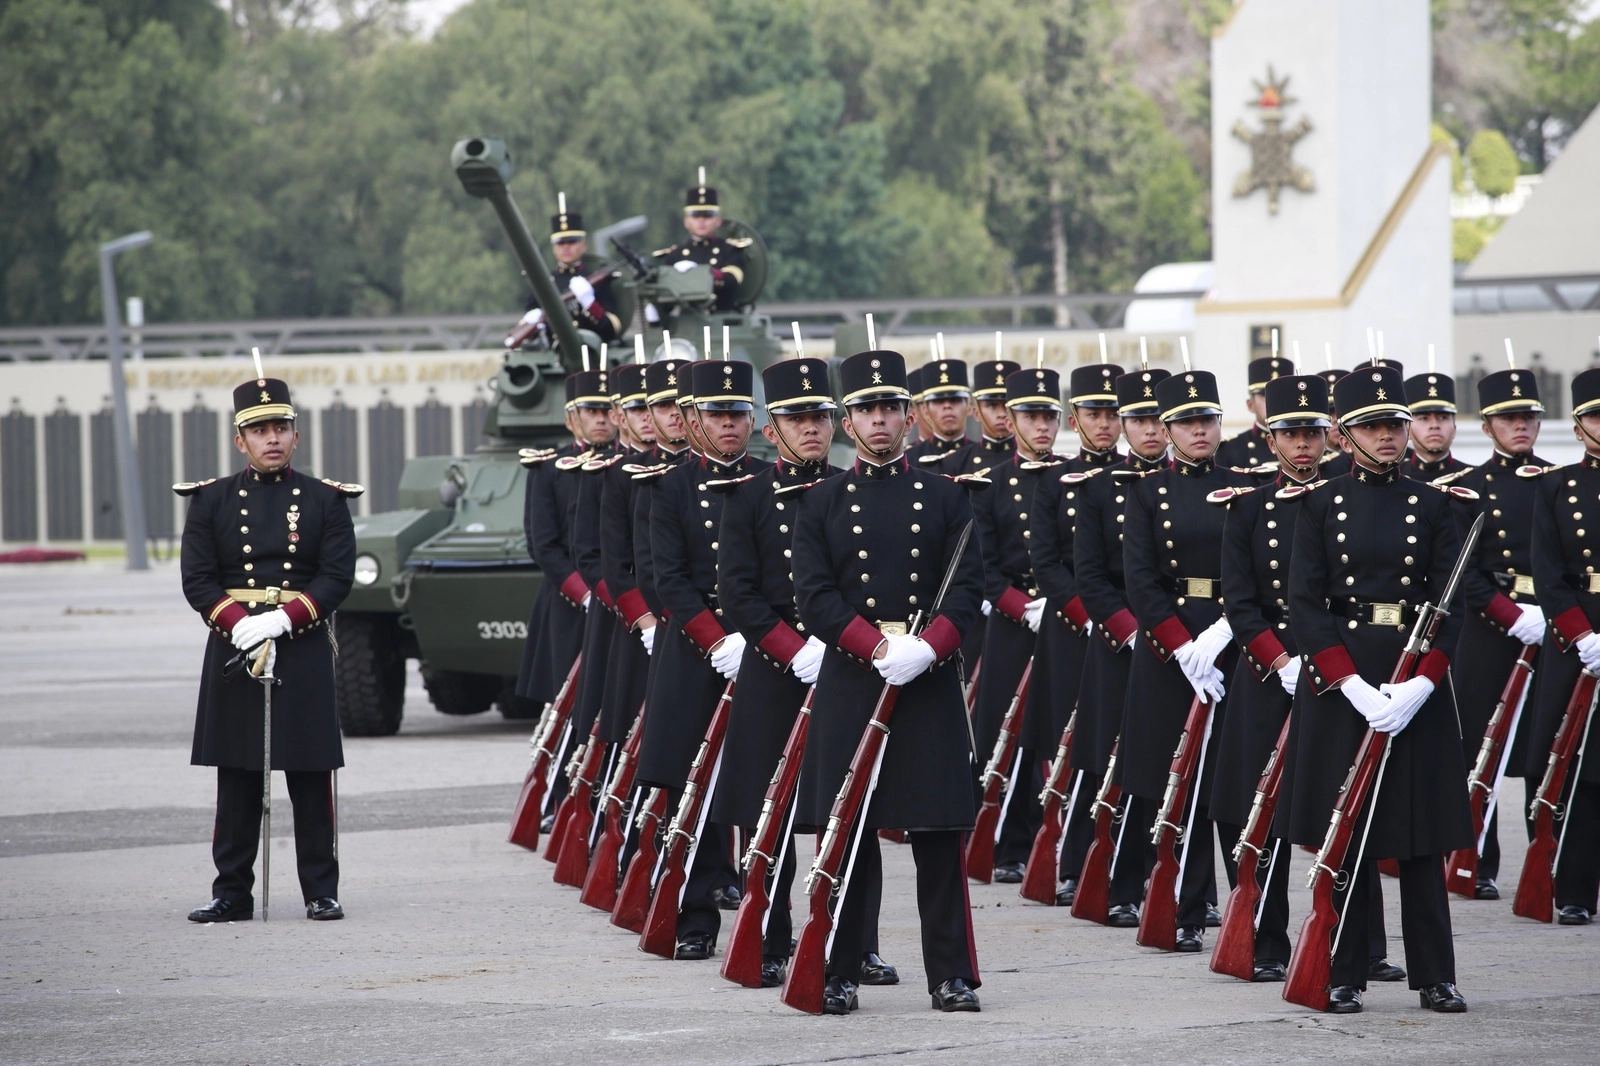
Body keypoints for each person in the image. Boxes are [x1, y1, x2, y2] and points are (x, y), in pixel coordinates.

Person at [792, 347, 986, 1014]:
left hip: (925, 681)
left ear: (911, 417)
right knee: (850, 835)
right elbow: (814, 597)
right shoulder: (820, 503)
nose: (879, 420)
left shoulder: (947, 497)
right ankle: (841, 967)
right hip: (856, 676)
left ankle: (951, 974)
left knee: (937, 836)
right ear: (848, 422)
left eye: (889, 408)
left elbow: (968, 596)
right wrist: (876, 647)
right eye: (866, 409)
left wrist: (925, 650)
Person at [1281, 361, 1472, 1014]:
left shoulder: (1434, 504)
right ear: (1343, 433)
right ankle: (1345, 970)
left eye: (1396, 424)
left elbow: (1454, 605)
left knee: (1420, 837)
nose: (1389, 437)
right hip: (1349, 680)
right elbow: (1304, 604)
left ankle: (1436, 974)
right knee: (1351, 831)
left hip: (1410, 673)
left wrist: (1421, 685)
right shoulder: (1317, 504)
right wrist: (1350, 684)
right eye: (1373, 426)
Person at [709, 355, 895, 988]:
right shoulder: (747, 497)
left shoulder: (858, 489)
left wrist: (845, 646)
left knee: (853, 813)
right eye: (797, 418)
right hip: (775, 669)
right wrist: (794, 650)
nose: (812, 429)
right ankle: (770, 937)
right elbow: (738, 596)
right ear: (772, 429)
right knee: (773, 817)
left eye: (820, 416)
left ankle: (858, 943)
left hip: (845, 666)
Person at [181, 374, 356, 923]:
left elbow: (336, 577)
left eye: (281, 427)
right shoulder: (210, 500)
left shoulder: (326, 499)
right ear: (240, 441)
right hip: (235, 648)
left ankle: (320, 891)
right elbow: (197, 578)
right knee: (236, 777)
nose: (271, 438)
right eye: (259, 430)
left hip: (299, 644)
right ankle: (232, 892)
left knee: (309, 773)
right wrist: (239, 624)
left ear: (296, 437)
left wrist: (282, 619)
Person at [634, 358, 769, 959]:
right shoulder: (666, 489)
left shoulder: (771, 480)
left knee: (764, 783)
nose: (731, 425)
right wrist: (718, 641)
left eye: (739, 413)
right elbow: (670, 582)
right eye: (718, 414)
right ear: (692, 420)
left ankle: (768, 920)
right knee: (691, 786)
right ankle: (693, 919)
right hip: (694, 649)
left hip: (765, 646)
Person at [1117, 368, 1254, 951]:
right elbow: (1141, 582)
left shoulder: (1247, 488)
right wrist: (1181, 646)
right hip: (1171, 646)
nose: (1200, 430)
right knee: (1179, 781)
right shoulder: (1144, 493)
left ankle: (1247, 903)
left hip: (1233, 639)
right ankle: (1187, 906)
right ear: (1167, 429)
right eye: (1187, 422)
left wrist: (1224, 633)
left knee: (1234, 779)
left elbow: (1257, 574)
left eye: (1208, 420)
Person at [1211, 373, 1328, 981]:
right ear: (1268, 436)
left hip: (1337, 672)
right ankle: (1264, 937)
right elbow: (1241, 601)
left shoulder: (1343, 501)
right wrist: (1281, 662)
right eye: (1291, 433)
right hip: (1267, 672)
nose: (1302, 445)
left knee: (1337, 808)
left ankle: (1352, 941)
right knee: (1255, 809)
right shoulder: (1249, 507)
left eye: (1312, 432)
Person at [1070, 367, 1171, 926]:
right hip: (1125, 644)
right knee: (1126, 768)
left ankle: (1191, 886)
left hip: (1188, 647)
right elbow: (1090, 575)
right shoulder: (1099, 489)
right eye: (1139, 420)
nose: (1151, 430)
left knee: (1185, 767)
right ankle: (1122, 882)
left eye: (1160, 419)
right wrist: (1136, 632)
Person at [1023, 362, 1126, 903]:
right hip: (1073, 630)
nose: (1105, 424)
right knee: (1079, 748)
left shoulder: (1139, 478)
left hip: (1131, 629)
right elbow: (1047, 560)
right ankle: (1073, 861)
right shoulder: (1054, 482)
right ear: (1075, 417)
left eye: (1113, 413)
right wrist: (1090, 616)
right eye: (1094, 413)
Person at [1446, 367, 1550, 900]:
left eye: (1529, 416)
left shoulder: (1559, 480)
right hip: (1490, 633)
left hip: (1553, 627)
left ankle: (1547, 860)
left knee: (1548, 749)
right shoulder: (1469, 489)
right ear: (1486, 427)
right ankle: (1476, 860)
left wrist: (1552, 615)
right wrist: (1511, 616)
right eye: (1509, 418)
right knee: (1475, 751)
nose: (1521, 426)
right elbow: (1463, 571)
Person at [969, 366, 1070, 884]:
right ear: (1010, 419)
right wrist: (1018, 605)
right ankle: (1002, 844)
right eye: (1031, 416)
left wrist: (1059, 604)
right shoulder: (990, 484)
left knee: (1055, 733)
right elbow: (983, 565)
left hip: (1061, 620)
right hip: (1011, 623)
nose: (1042, 426)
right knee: (1000, 734)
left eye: (1050, 416)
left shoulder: (1072, 477)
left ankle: (1050, 839)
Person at [1527, 367, 1600, 925]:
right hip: (1576, 635)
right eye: (1596, 416)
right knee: (1569, 761)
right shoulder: (1555, 486)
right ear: (1577, 427)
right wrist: (1583, 636)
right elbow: (1548, 575)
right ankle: (1572, 887)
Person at [510, 196, 624, 344]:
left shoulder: (595, 280)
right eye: (560, 243)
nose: (566, 247)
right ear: (553, 247)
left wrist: (590, 304)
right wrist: (535, 321)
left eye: (571, 242)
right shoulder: (544, 282)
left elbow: (612, 330)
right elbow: (527, 334)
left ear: (584, 245)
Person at [652, 171, 750, 312]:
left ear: (718, 221)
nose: (701, 220)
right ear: (686, 221)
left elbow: (732, 280)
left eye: (708, 215)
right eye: (695, 215)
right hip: (686, 324)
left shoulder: (730, 250)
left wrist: (702, 273)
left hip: (722, 323)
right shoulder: (675, 255)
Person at [937, 358, 1018, 476]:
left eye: (1007, 406)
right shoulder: (956, 462)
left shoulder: (1032, 461)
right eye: (992, 405)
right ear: (976, 413)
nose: (1001, 414)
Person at [1217, 355, 1294, 469]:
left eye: (1281, 394)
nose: (1274, 402)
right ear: (1250, 404)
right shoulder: (1230, 449)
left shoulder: (1308, 446)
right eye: (1265, 395)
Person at [1403, 372, 1470, 481]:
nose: (1434, 425)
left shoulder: (1475, 479)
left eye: (1443, 417)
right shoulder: (1395, 479)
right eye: (1424, 418)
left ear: (1454, 429)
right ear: (1407, 430)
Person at [909, 357, 974, 466]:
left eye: (955, 400)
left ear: (969, 407)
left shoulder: (985, 456)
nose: (947, 406)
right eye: (938, 401)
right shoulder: (909, 461)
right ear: (925, 410)